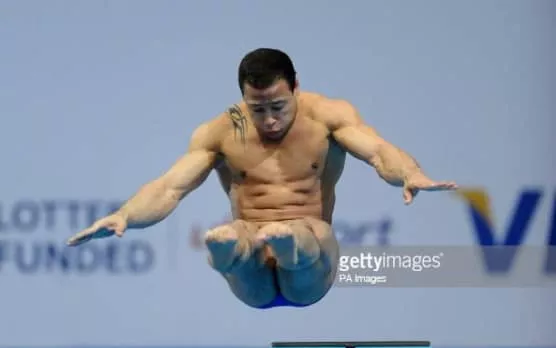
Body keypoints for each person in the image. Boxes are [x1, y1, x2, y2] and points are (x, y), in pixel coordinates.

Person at [66, 48, 458, 309]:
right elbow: (170, 187)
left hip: (312, 268)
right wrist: (126, 215)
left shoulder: (328, 116)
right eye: (257, 109)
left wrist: (409, 173)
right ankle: (228, 252)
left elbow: (378, 152)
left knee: (311, 231)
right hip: (252, 270)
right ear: (242, 96)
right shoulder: (220, 132)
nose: (269, 120)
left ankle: (287, 244)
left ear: (296, 87)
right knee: (236, 235)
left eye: (278, 106)